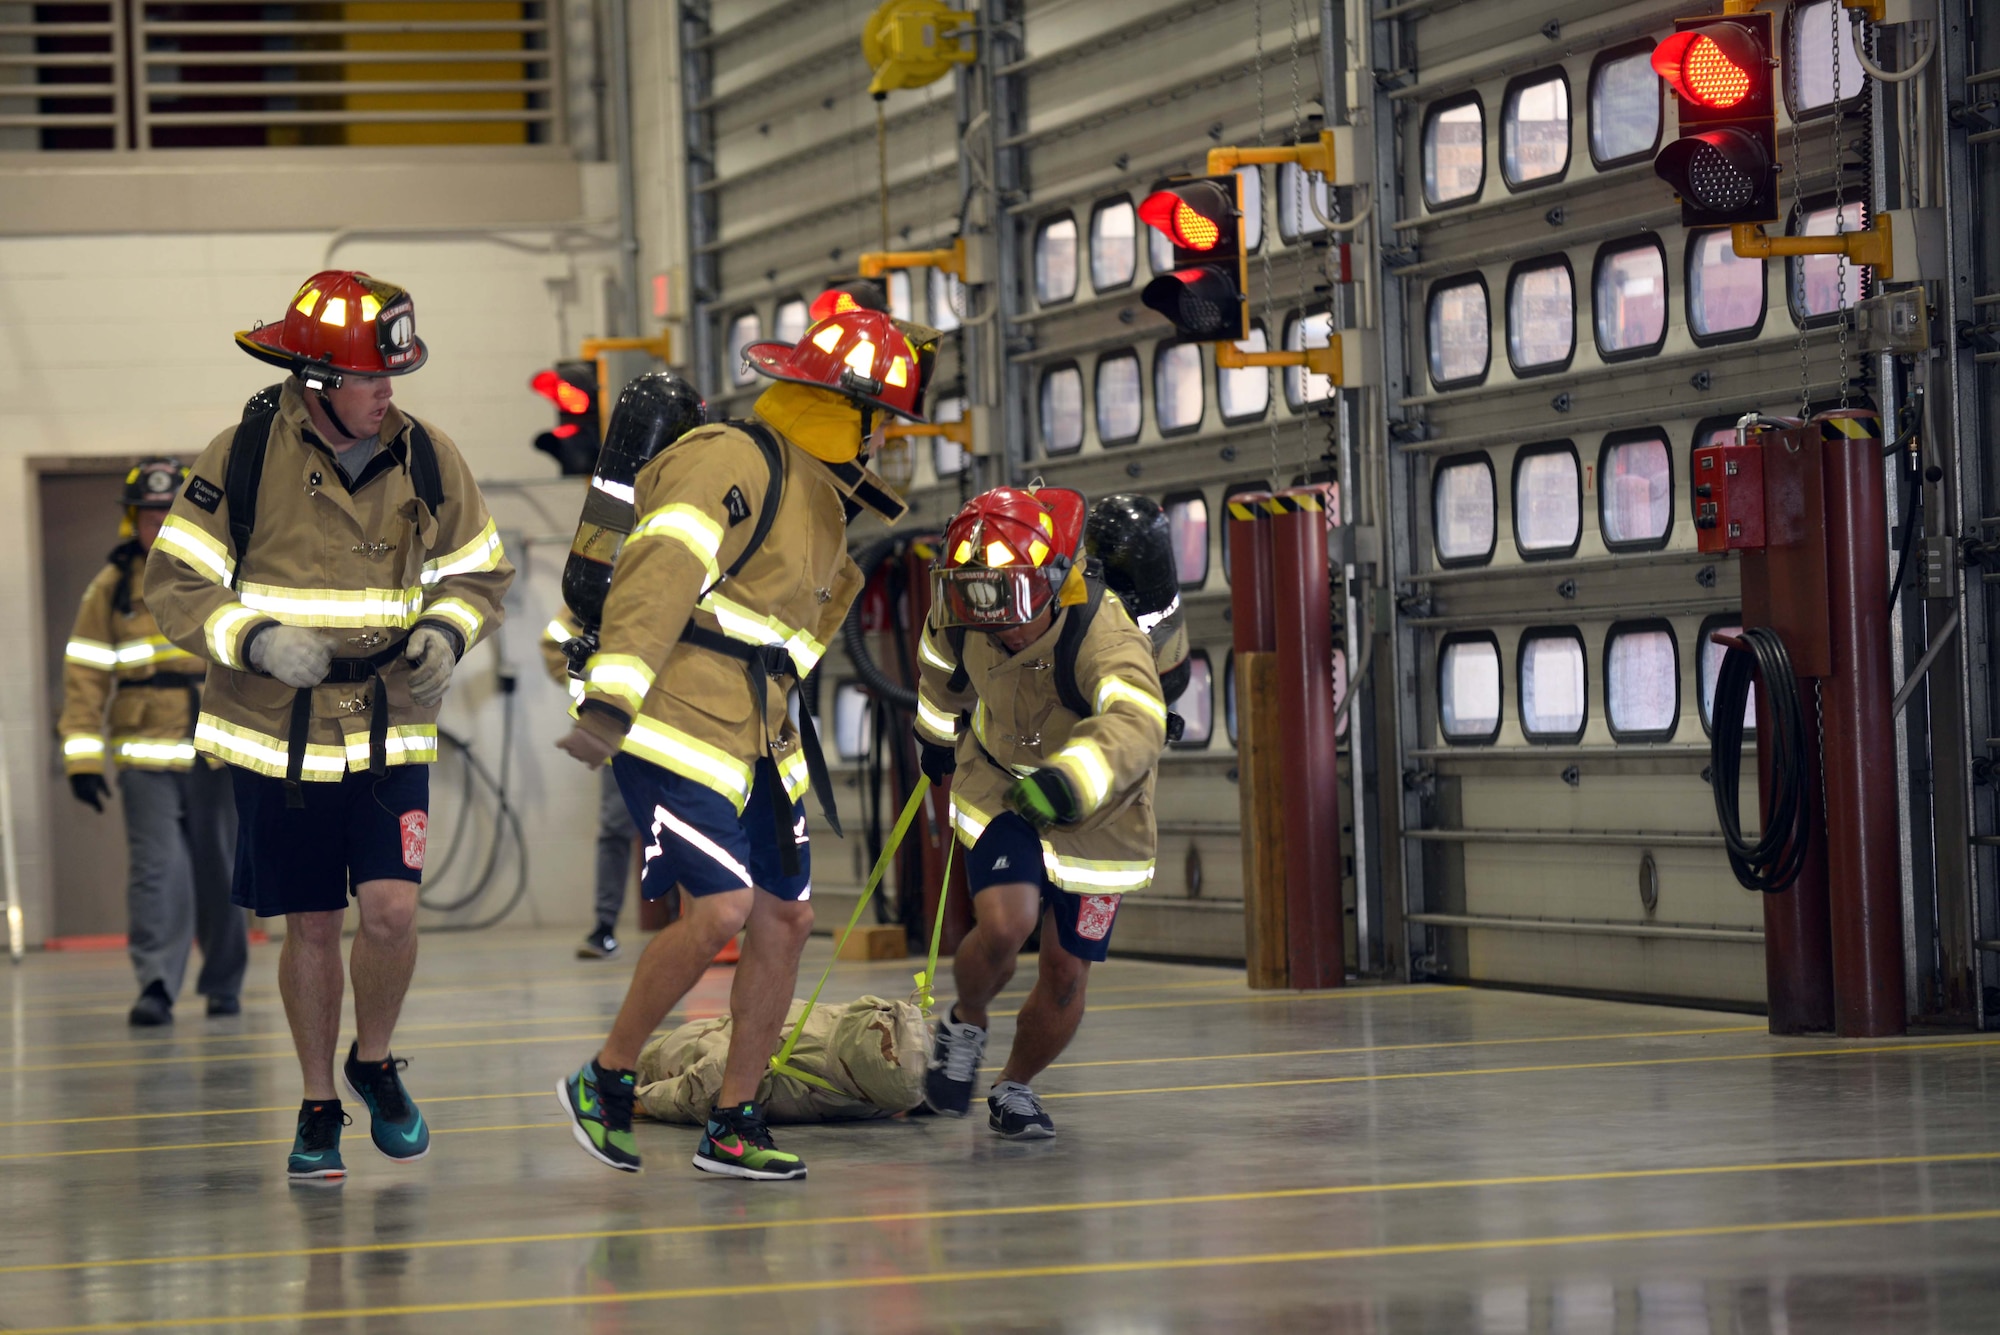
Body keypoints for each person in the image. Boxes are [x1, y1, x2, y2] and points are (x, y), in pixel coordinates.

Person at [146, 270, 514, 1183]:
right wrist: (258, 638)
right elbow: (177, 584)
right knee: (310, 923)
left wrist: (445, 628)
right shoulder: (237, 455)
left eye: (393, 373)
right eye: (370, 377)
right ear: (315, 384)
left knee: (390, 910)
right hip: (281, 731)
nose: (390, 390)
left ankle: (373, 1060)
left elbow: (481, 572)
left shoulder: (430, 454)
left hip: (392, 723)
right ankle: (318, 1103)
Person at [552, 306, 932, 1180]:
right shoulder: (730, 458)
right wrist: (612, 700)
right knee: (720, 909)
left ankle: (734, 1119)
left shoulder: (827, 506)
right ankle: (604, 1080)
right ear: (849, 411)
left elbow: (789, 646)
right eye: (885, 424)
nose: (890, 445)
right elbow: (660, 574)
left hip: (760, 736)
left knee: (787, 918)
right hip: (674, 717)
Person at [912, 486, 1168, 1139]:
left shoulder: (1102, 630)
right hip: (1000, 781)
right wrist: (936, 734)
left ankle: (1014, 1086)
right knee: (1005, 924)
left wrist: (1065, 784)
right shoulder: (965, 603)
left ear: (1055, 583)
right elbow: (942, 661)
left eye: (1008, 598)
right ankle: (966, 1021)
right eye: (974, 595)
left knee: (1062, 973)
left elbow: (1137, 719)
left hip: (1096, 805)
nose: (990, 616)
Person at [60, 458, 246, 1027]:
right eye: (148, 516)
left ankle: (222, 985)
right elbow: (85, 671)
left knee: (222, 870)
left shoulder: (221, 574)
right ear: (132, 522)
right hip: (144, 754)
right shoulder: (112, 588)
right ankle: (158, 987)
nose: (158, 524)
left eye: (169, 513)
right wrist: (82, 758)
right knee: (158, 871)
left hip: (216, 748)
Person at [541, 610, 640, 959]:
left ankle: (698, 922)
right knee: (615, 827)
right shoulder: (603, 579)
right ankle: (604, 927)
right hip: (620, 726)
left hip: (677, 721)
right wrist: (593, 690)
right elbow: (555, 639)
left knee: (688, 827)